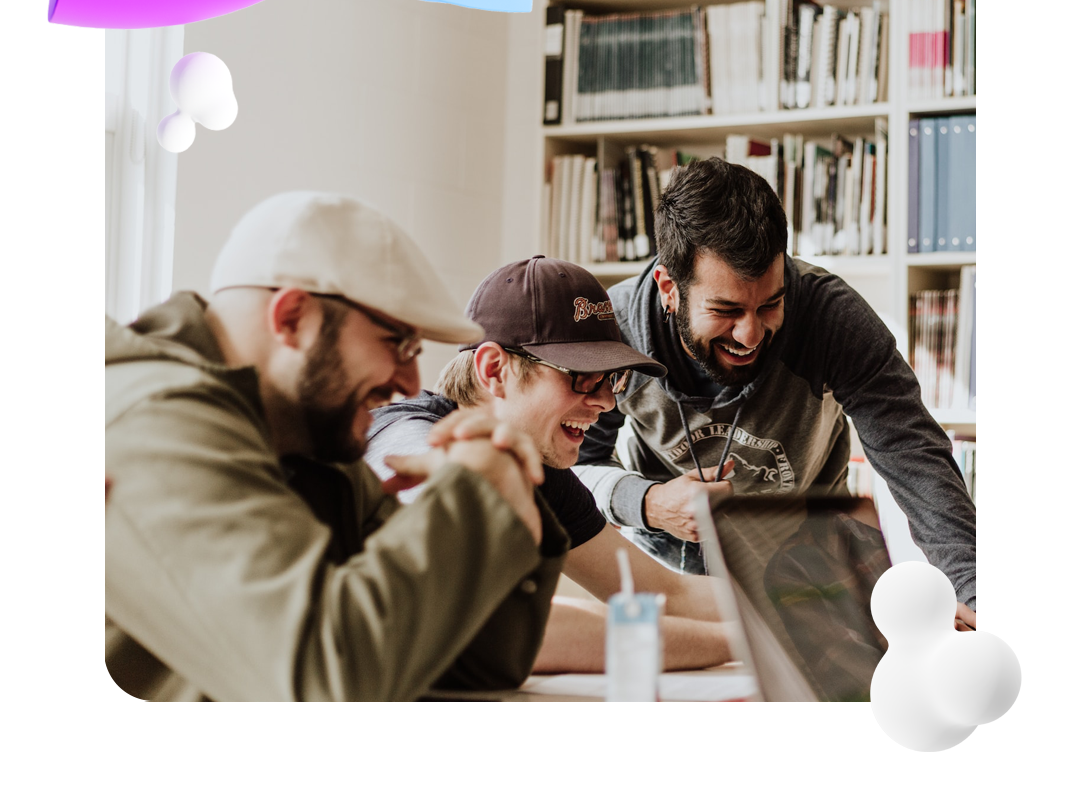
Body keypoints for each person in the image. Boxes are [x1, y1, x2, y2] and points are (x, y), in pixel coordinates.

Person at [105, 191, 569, 701]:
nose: (410, 382)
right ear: (291, 319)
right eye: (397, 343)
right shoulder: (158, 421)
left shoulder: (308, 438)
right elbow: (326, 682)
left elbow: (473, 663)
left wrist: (506, 494)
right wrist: (475, 492)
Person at [573, 157, 977, 630]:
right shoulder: (613, 331)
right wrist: (647, 502)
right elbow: (573, 467)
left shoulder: (832, 317)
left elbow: (914, 454)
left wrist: (972, 590)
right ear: (669, 288)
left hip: (809, 569)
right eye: (724, 309)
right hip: (667, 581)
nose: (749, 334)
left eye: (770, 303)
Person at [366, 255, 737, 672]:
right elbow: (501, 626)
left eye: (611, 379)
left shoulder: (539, 470)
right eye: (582, 376)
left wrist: (799, 607)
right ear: (494, 370)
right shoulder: (406, 441)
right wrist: (745, 643)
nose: (606, 402)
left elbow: (663, 593)